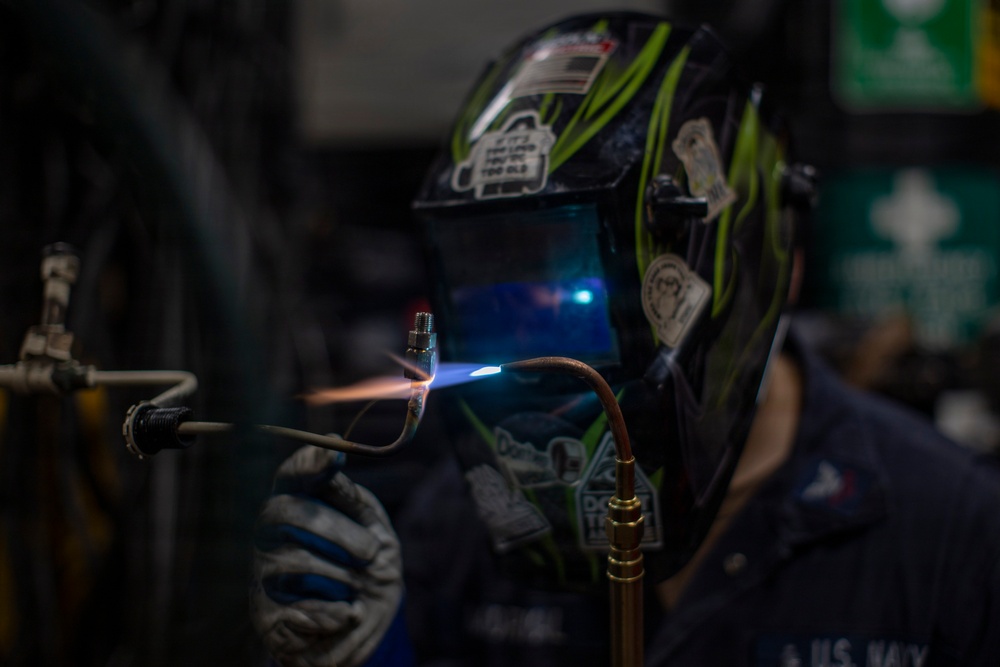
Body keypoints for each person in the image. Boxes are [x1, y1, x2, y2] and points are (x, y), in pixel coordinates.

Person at [249, 11, 1000, 667]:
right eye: (508, 296)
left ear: (759, 260)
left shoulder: (949, 530)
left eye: (580, 293)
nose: (543, 341)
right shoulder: (459, 525)